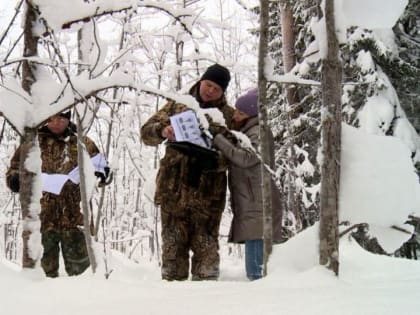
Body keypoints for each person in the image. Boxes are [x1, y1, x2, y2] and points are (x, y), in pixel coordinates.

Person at [141, 63, 234, 281]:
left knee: (207, 265)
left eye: (216, 89)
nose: (210, 91)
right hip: (173, 193)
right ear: (201, 81)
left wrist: (214, 158)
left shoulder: (227, 116)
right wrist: (162, 130)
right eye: (208, 85)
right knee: (172, 265)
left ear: (223, 92)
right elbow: (146, 133)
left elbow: (236, 154)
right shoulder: (178, 105)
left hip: (208, 197)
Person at [6, 111, 110, 278]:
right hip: (42, 220)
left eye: (61, 119)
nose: (56, 123)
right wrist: (15, 180)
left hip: (76, 219)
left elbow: (103, 169)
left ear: (68, 119)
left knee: (83, 276)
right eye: (52, 118)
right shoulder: (32, 142)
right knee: (42, 277)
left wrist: (102, 174)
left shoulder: (82, 141)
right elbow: (13, 170)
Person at [209, 88, 283, 280]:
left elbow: (247, 158)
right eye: (237, 110)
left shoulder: (258, 131)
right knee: (256, 263)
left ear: (252, 115)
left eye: (241, 113)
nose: (235, 114)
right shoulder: (249, 130)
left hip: (258, 204)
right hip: (253, 203)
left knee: (257, 273)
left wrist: (219, 141)